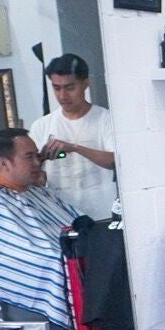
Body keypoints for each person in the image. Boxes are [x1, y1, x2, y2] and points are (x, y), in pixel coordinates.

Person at [0, 128, 82, 330]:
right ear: (3, 163)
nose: (37, 163)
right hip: (36, 298)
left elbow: (80, 224)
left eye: (37, 156)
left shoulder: (38, 192)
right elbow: (24, 254)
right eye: (29, 157)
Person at [29, 53, 118, 218]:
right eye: (56, 88)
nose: (62, 96)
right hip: (60, 215)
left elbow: (115, 161)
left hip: (101, 214)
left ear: (86, 83)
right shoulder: (41, 126)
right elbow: (31, 168)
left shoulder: (106, 119)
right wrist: (40, 163)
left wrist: (74, 148)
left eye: (70, 88)